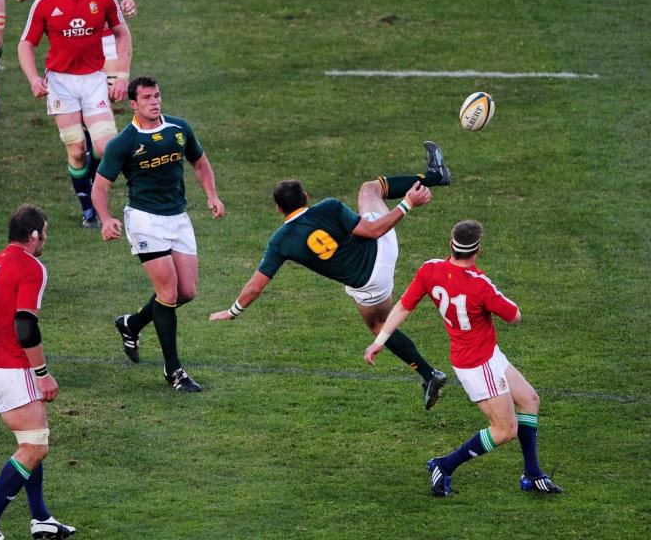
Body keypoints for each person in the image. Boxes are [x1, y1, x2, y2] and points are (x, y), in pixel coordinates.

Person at [210, 142, 453, 409]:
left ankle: (429, 373)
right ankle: (434, 176)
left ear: (279, 209)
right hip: (384, 248)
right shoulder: (329, 207)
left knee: (380, 327)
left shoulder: (280, 241)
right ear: (307, 196)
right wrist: (406, 203)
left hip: (371, 286)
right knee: (370, 189)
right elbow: (372, 232)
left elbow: (255, 287)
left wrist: (232, 312)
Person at [364, 220, 563, 497]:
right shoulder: (480, 285)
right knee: (505, 430)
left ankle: (532, 474)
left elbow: (403, 307)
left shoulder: (430, 270)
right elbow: (514, 316)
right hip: (479, 365)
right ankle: (444, 465)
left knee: (529, 400)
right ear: (477, 249)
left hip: (485, 356)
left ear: (451, 245)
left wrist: (379, 341)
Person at [92, 76, 225, 392]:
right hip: (144, 220)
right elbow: (100, 186)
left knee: (187, 292)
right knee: (167, 292)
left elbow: (200, 164)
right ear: (134, 104)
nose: (155, 101)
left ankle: (132, 323)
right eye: (148, 97)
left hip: (178, 217)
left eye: (158, 96)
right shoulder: (123, 143)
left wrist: (212, 195)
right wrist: (106, 218)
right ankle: (174, 371)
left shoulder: (178, 130)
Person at [0, 205, 75, 540]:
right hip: (12, 368)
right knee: (35, 448)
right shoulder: (31, 266)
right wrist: (42, 373)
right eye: (46, 233)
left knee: (30, 441)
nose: (45, 240)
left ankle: (41, 519)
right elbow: (25, 325)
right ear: (35, 234)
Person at [19, 0, 132, 228]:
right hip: (61, 84)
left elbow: (122, 33)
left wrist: (121, 75)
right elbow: (26, 44)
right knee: (77, 149)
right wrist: (34, 78)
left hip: (94, 80)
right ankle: (89, 209)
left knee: (107, 147)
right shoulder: (45, 3)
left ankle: (133, 193)